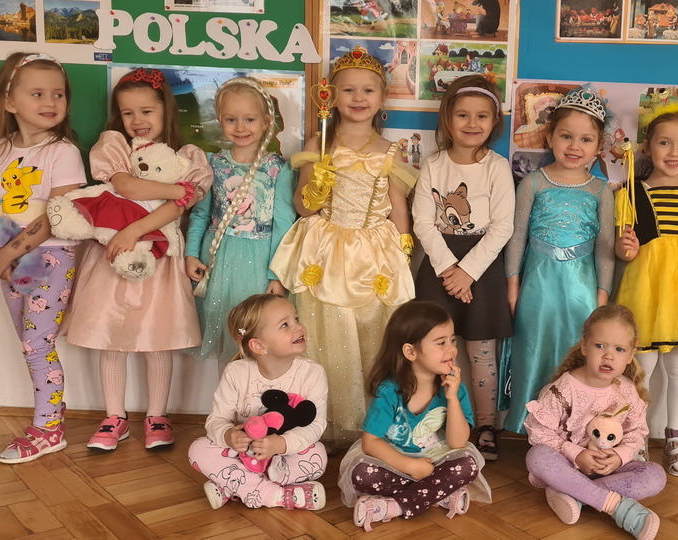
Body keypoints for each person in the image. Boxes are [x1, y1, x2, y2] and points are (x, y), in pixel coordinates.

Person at [270, 47, 416, 447]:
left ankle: (371, 424)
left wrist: (403, 248)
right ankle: (326, 423)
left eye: (368, 90)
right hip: (326, 249)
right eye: (348, 89)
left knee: (373, 335)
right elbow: (303, 206)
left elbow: (398, 206)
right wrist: (316, 187)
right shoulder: (320, 143)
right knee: (329, 335)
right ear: (331, 97)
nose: (358, 97)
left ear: (382, 98)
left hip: (374, 253)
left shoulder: (390, 150)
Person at [63, 68, 214, 451]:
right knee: (111, 339)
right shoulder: (114, 145)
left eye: (147, 111)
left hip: (160, 260)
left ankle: (157, 416)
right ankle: (114, 417)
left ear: (166, 110)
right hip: (112, 256)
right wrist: (179, 190)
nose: (137, 120)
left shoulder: (187, 157)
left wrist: (136, 229)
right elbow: (125, 185)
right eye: (128, 112)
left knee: (158, 340)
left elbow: (176, 210)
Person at [0, 52, 85, 464]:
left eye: (58, 94)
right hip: (8, 261)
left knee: (37, 342)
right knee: (29, 343)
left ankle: (48, 428)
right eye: (37, 93)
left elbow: (57, 215)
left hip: (51, 257)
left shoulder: (63, 152)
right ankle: (49, 415)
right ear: (10, 101)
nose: (50, 101)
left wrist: (9, 253)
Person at [503, 85, 615, 436]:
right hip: (537, 285)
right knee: (533, 348)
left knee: (574, 353)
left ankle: (574, 429)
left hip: (581, 289)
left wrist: (601, 296)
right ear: (550, 137)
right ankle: (533, 426)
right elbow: (517, 236)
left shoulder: (600, 190)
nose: (574, 146)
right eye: (566, 136)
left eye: (586, 139)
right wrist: (512, 285)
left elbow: (605, 246)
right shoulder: (533, 182)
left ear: (599, 146)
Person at [412, 74, 513, 460]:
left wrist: (467, 272)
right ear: (447, 119)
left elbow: (503, 226)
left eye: (482, 116)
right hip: (439, 267)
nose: (472, 123)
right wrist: (448, 270)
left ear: (494, 122)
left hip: (482, 268)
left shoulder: (497, 167)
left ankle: (485, 425)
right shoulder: (433, 164)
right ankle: (430, 421)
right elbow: (423, 222)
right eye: (463, 115)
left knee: (481, 352)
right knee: (432, 348)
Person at [613, 107, 678, 477]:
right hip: (645, 288)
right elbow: (622, 249)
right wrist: (625, 249)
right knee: (644, 365)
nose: (674, 152)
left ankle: (677, 437)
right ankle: (635, 435)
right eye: (664, 143)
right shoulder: (631, 191)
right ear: (647, 147)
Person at [336, 301, 492, 531]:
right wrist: (410, 465)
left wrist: (452, 399)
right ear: (410, 351)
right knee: (362, 475)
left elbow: (458, 442)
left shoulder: (454, 388)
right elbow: (371, 442)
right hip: (394, 460)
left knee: (467, 466)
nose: (451, 349)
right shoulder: (389, 391)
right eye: (441, 343)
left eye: (452, 340)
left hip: (435, 459)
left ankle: (395, 506)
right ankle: (436, 493)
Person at [525, 305, 664, 538]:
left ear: (630, 355)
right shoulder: (562, 389)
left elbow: (636, 432)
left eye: (619, 349)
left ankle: (573, 494)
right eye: (600, 346)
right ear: (584, 347)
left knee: (656, 475)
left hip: (610, 469)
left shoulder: (626, 391)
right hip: (567, 466)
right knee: (537, 456)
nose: (608, 355)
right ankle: (615, 505)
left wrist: (618, 456)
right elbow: (539, 432)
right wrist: (576, 453)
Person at [185, 77, 296, 362]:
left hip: (260, 262)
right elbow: (200, 213)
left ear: (266, 121)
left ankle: (260, 389)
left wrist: (276, 275)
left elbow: (284, 225)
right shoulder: (212, 164)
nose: (240, 127)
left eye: (249, 119)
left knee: (258, 332)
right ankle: (231, 388)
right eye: (231, 119)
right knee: (228, 328)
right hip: (218, 260)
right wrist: (191, 253)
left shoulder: (277, 169)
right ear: (219, 120)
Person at [187, 294, 328, 511]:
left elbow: (316, 425)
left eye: (296, 319)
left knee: (317, 455)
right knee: (198, 450)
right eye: (285, 324)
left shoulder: (312, 373)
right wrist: (228, 436)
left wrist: (281, 444)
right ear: (259, 345)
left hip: (284, 454)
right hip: (245, 453)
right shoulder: (236, 372)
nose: (299, 327)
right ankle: (279, 495)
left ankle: (236, 485)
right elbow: (217, 419)